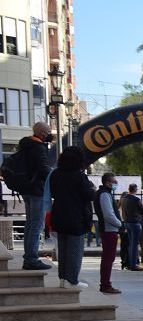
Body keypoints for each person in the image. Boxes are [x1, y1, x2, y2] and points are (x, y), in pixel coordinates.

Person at [48, 146, 95, 290]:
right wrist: (92, 189)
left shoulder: (55, 174)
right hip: (75, 217)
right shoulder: (79, 175)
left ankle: (63, 278)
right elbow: (88, 195)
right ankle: (72, 280)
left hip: (59, 215)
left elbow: (53, 192)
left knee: (62, 250)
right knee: (75, 250)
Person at [18, 122, 54, 270]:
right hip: (37, 190)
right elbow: (43, 169)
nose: (50, 134)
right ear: (42, 133)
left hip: (26, 189)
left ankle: (28, 257)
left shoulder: (25, 145)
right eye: (48, 131)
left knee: (30, 224)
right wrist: (55, 175)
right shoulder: (38, 147)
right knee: (37, 225)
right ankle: (31, 259)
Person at [93, 172, 123, 294]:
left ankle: (105, 283)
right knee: (108, 258)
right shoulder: (105, 194)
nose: (115, 184)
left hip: (108, 229)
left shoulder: (105, 193)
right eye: (114, 182)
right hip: (109, 230)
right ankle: (105, 284)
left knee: (108, 258)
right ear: (107, 182)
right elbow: (108, 214)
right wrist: (120, 224)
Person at [120, 183, 143, 271]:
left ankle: (131, 263)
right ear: (135, 190)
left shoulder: (124, 199)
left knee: (131, 244)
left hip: (126, 222)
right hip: (135, 222)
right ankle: (134, 264)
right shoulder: (136, 200)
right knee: (134, 244)